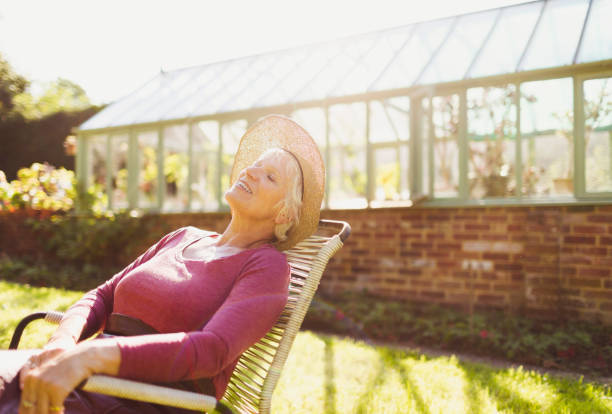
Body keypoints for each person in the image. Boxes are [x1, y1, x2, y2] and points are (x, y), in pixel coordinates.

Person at [0, 114, 325, 414]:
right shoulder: (183, 236)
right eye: (254, 165)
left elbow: (211, 350)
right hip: (84, 374)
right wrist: (62, 344)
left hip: (142, 399)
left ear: (285, 213)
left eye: (270, 176)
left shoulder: (267, 267)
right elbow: (103, 295)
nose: (250, 171)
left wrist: (88, 357)